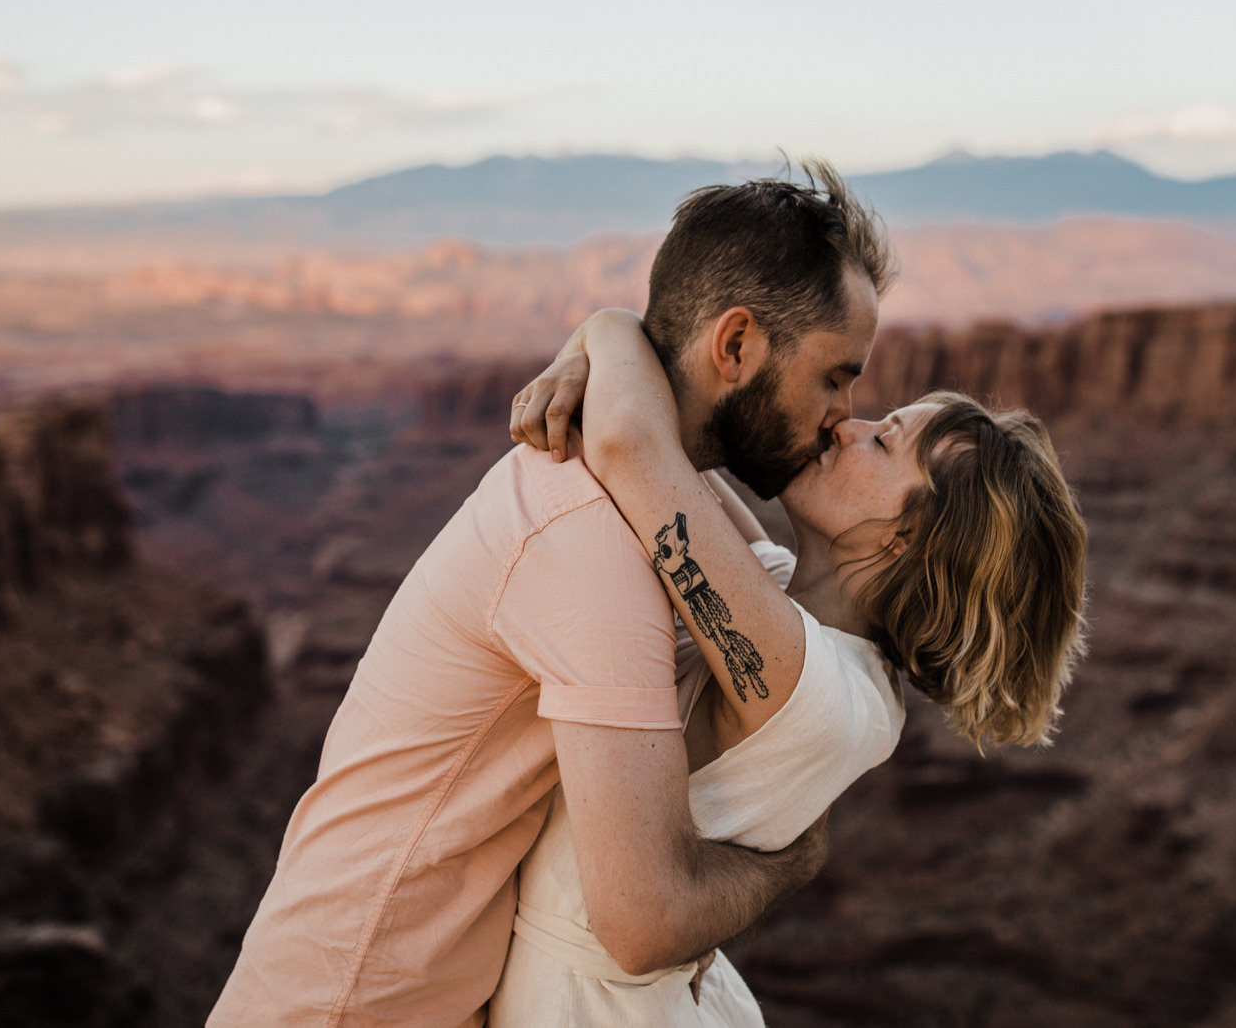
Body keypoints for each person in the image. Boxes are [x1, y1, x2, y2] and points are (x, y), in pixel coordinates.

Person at [210, 161, 896, 1027]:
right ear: (736, 346)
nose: (844, 411)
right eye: (836, 374)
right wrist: (791, 862)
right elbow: (645, 918)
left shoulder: (649, 498)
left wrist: (606, 333)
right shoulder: (591, 539)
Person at [486, 308, 1089, 1025]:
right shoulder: (799, 615)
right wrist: (590, 361)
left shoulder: (803, 677)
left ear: (907, 538)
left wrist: (605, 326)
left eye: (884, 440)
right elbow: (667, 458)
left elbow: (630, 443)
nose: (847, 425)